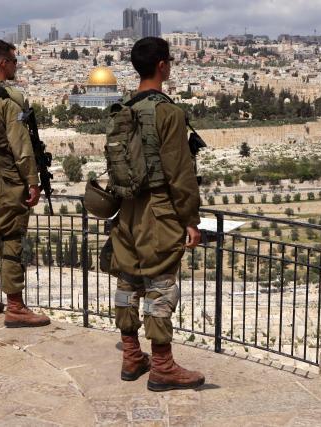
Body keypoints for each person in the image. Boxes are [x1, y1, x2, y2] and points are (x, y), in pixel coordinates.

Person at [108, 37, 204, 391]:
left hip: (127, 211)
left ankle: (131, 355)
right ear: (162, 66)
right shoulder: (168, 112)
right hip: (159, 212)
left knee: (128, 283)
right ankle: (162, 365)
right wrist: (190, 220)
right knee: (160, 285)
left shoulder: (123, 109)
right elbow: (180, 173)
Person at [0, 40, 50, 327]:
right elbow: (21, 145)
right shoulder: (8, 99)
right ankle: (15, 307)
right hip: (7, 179)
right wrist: (32, 181)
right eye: (14, 62)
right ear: (3, 63)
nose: (16, 66)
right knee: (12, 240)